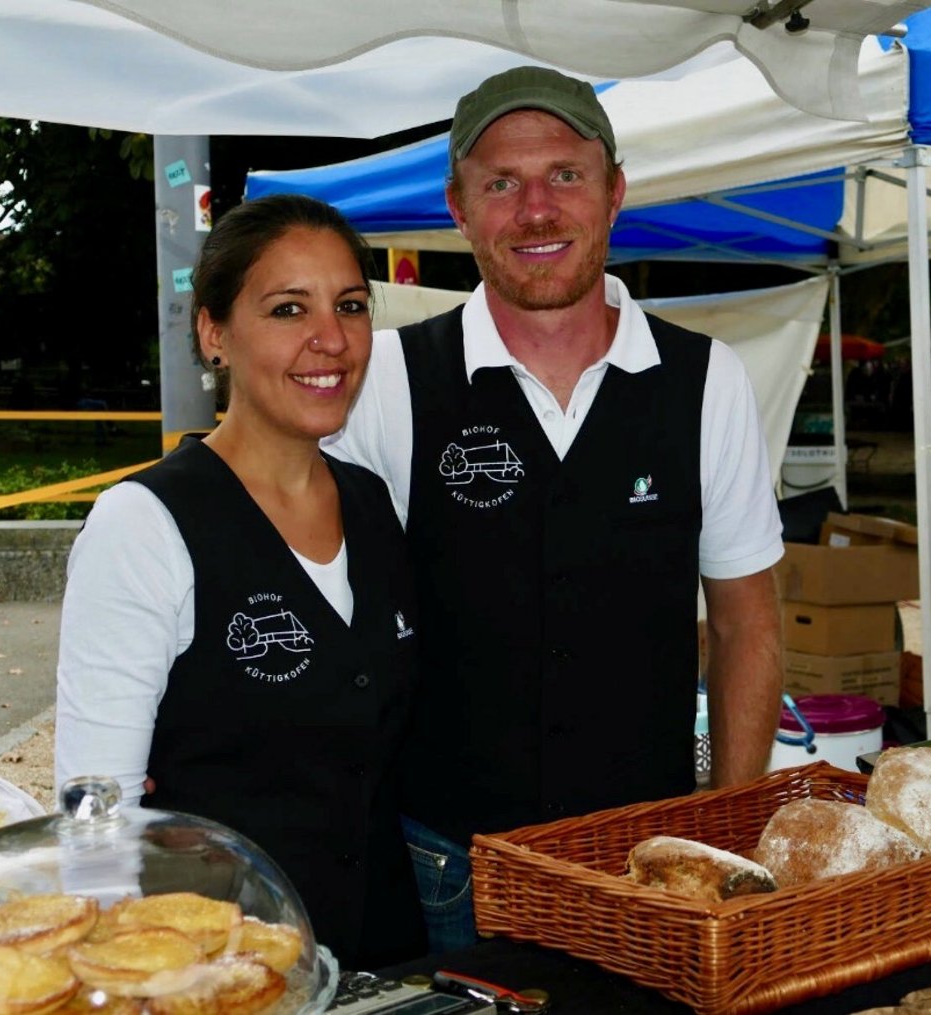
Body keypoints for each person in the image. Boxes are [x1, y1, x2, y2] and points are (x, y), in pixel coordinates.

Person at [325, 66, 785, 951]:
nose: (535, 211)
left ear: (615, 192)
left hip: (645, 864)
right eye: (502, 183)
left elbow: (745, 625)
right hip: (447, 862)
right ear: (459, 206)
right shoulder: (388, 380)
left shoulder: (703, 383)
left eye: (564, 176)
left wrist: (723, 831)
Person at [55, 194, 426, 970]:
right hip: (217, 973)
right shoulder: (144, 525)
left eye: (350, 305)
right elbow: (94, 821)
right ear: (214, 333)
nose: (331, 339)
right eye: (289, 308)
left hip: (382, 963)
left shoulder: (372, 502)